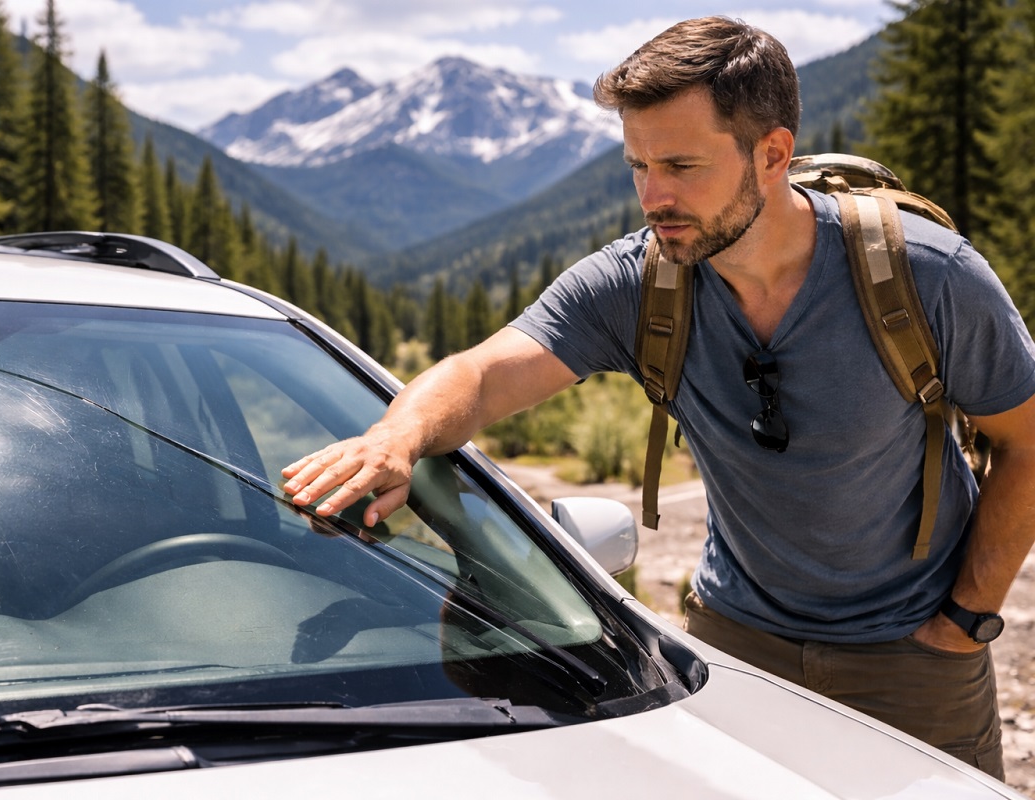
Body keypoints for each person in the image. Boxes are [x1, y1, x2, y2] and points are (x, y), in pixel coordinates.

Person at [281, 16, 1035, 779]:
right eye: (637, 166)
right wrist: (396, 439)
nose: (654, 196)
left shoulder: (926, 278)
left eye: (681, 164)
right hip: (735, 650)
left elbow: (1027, 443)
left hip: (912, 662)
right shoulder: (637, 286)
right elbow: (481, 374)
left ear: (771, 154)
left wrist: (966, 622)